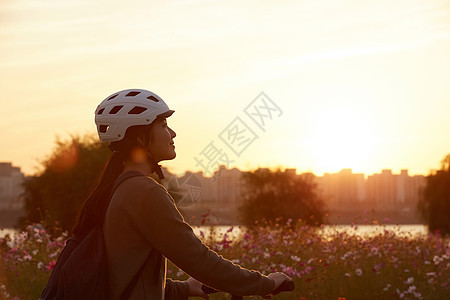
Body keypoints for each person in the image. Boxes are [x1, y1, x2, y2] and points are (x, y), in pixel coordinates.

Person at [72, 89, 291, 299]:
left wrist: (184, 289)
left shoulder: (117, 187)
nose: (173, 133)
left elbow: (119, 280)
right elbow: (198, 260)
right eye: (164, 124)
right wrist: (265, 283)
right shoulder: (144, 192)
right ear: (140, 137)